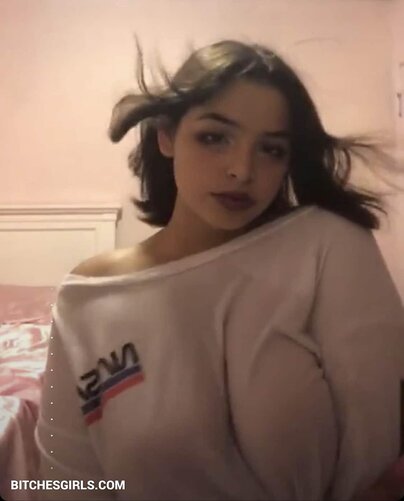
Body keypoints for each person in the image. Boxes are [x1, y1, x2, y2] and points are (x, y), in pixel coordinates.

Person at [33, 38, 404, 500]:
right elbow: (64, 478)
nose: (242, 170)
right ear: (167, 136)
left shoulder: (327, 246)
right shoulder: (87, 299)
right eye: (214, 137)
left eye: (271, 149)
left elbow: (376, 455)